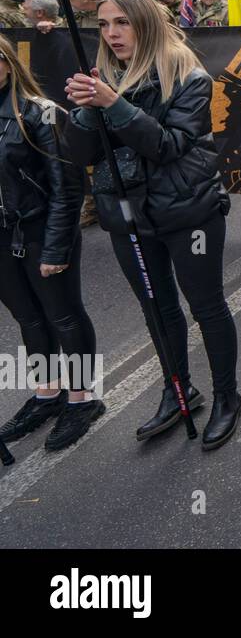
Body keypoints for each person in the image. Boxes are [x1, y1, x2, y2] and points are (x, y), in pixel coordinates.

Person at [62, 0, 241, 450]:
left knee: (206, 307)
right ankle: (178, 389)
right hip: (126, 215)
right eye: (103, 24)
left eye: (122, 22)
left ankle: (227, 397)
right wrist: (85, 109)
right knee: (157, 310)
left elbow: (166, 146)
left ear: (146, 23)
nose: (112, 33)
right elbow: (79, 156)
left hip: (188, 212)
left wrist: (113, 104)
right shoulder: (102, 76)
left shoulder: (187, 75)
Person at [0, 34, 100, 451]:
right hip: (2, 237)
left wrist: (57, 248)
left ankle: (81, 399)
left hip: (41, 230)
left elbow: (67, 188)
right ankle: (47, 392)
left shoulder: (40, 113)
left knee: (63, 315)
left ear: (7, 63)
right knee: (29, 318)